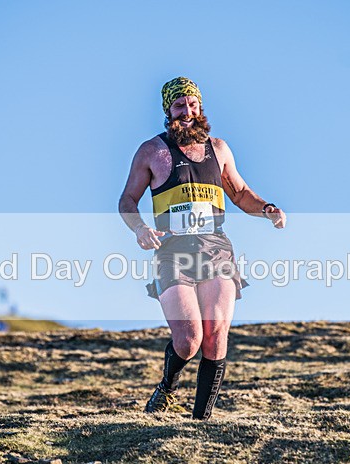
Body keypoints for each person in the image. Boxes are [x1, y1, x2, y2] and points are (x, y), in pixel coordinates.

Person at [119, 77, 286, 420]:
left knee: (215, 335)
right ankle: (166, 388)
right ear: (168, 111)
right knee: (189, 339)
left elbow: (240, 193)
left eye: (193, 104)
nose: (188, 112)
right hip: (172, 252)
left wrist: (267, 208)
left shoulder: (219, 149)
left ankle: (200, 422)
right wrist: (140, 229)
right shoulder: (152, 151)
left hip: (216, 248)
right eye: (180, 106)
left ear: (201, 107)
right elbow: (127, 200)